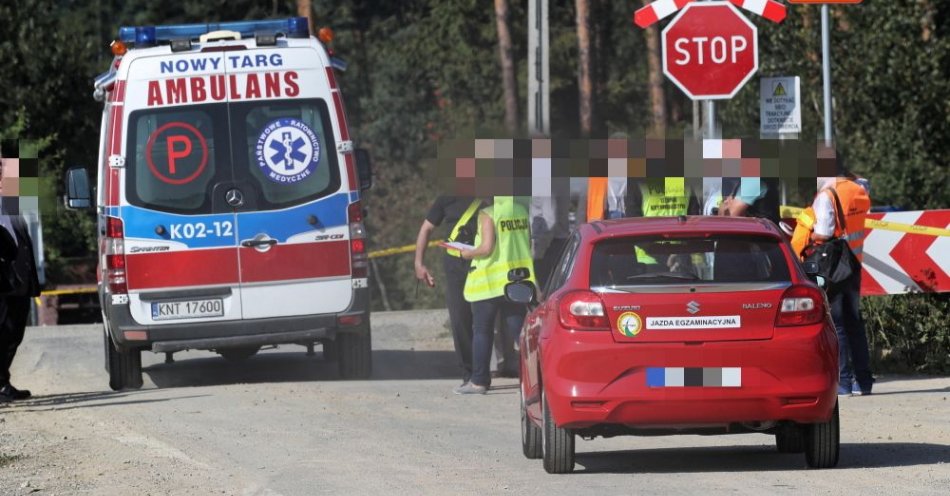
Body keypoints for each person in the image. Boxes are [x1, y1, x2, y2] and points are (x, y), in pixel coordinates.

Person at [457, 196, 535, 394]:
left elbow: (486, 248)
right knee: (521, 332)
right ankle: (535, 379)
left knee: (482, 331)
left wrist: (464, 253)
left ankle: (479, 382)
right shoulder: (521, 211)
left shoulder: (489, 213)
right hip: (515, 280)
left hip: (489, 282)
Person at [809, 168, 873, 396]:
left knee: (837, 324)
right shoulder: (859, 189)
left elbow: (825, 232)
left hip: (832, 263)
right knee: (854, 322)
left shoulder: (827, 194)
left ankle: (844, 383)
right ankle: (864, 382)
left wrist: (810, 233)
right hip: (854, 259)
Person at [414, 196, 485, 386]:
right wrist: (419, 263)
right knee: (460, 320)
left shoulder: (492, 196)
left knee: (483, 320)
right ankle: (469, 373)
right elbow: (426, 228)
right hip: (455, 267)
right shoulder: (448, 197)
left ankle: (485, 371)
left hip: (485, 264)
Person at [0, 154, 40, 403]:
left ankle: (3, 382)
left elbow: (23, 242)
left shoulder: (13, 204)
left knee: (14, 333)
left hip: (17, 280)